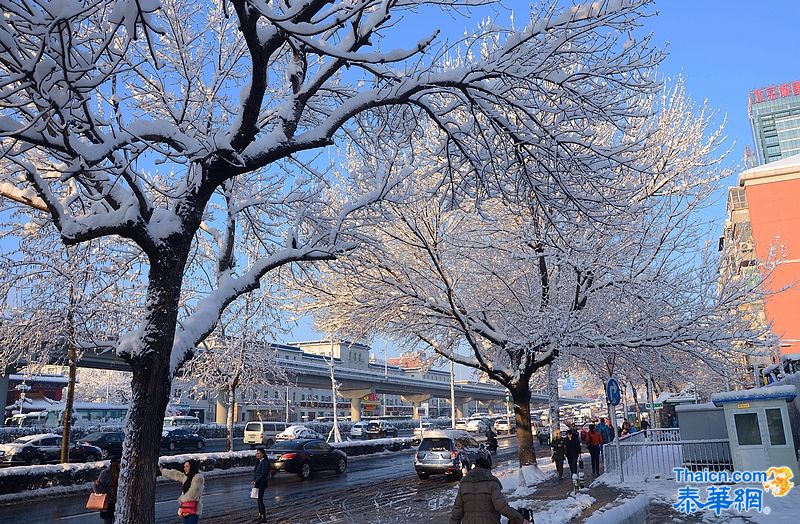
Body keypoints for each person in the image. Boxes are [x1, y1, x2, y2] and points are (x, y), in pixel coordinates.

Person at [449, 456, 528, 524]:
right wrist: (520, 519)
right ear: (488, 470)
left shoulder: (464, 484)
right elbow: (502, 507)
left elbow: (457, 510)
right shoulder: (492, 483)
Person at [94, 457, 120, 524]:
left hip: (107, 503)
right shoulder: (122, 473)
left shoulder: (104, 473)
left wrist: (97, 485)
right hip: (118, 502)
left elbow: (98, 490)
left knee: (107, 521)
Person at [252, 448, 270, 523]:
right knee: (258, 499)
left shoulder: (264, 462)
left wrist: (256, 480)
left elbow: (263, 474)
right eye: (257, 453)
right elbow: (257, 472)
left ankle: (263, 517)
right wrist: (254, 480)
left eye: (259, 453)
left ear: (263, 454)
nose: (257, 455)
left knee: (260, 500)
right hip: (258, 483)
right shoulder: (259, 462)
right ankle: (260, 515)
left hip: (262, 483)